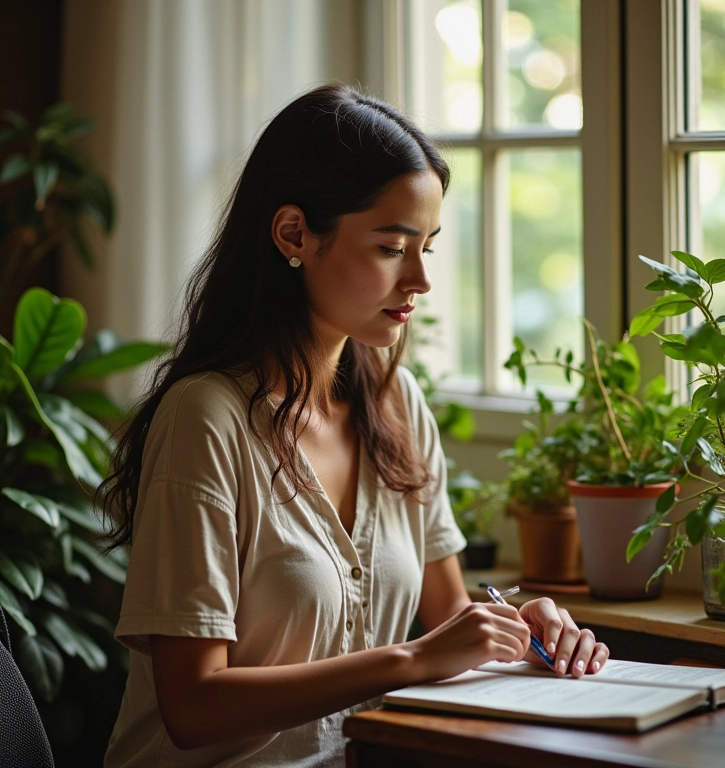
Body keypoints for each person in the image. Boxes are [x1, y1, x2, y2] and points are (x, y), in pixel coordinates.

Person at [101, 82, 609, 768]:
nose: (422, 279)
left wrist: (520, 624)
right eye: (392, 247)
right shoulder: (206, 421)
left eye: (427, 244)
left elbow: (448, 612)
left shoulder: (397, 405)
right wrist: (410, 659)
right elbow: (193, 707)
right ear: (294, 235)